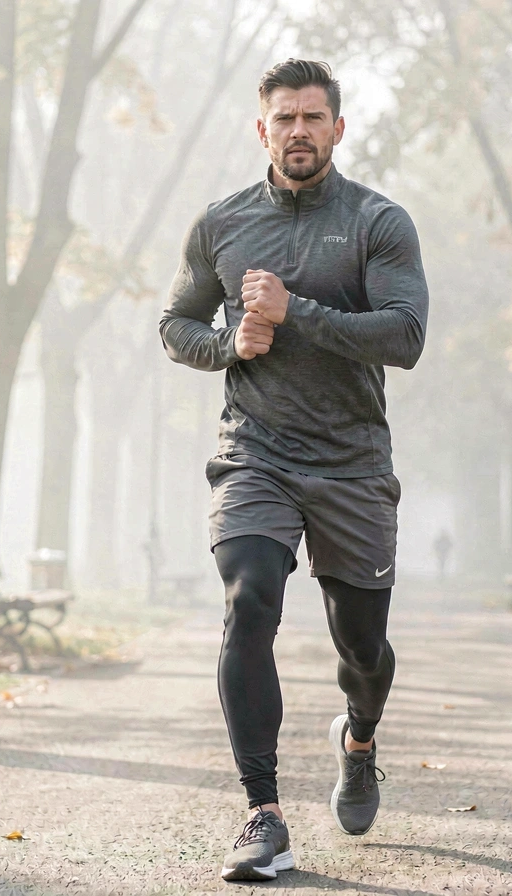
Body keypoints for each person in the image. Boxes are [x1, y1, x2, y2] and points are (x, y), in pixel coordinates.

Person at [157, 58, 429, 882]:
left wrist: (293, 314)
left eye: (314, 117)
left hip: (351, 462)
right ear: (263, 128)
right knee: (249, 605)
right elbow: (175, 322)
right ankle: (262, 814)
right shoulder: (221, 222)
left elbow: (405, 336)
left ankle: (359, 736)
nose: (300, 131)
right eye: (285, 118)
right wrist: (225, 345)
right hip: (257, 455)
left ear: (338, 129)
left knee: (365, 651)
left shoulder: (379, 221)